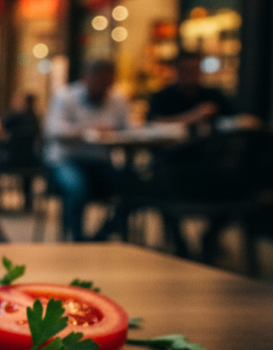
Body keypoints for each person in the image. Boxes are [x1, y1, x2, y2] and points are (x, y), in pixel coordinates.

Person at [44, 60, 130, 241]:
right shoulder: (65, 97)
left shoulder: (118, 99)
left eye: (107, 83)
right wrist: (87, 132)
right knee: (77, 188)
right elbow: (52, 130)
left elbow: (129, 130)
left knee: (134, 187)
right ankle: (77, 239)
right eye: (98, 81)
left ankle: (101, 235)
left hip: (101, 161)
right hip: (66, 160)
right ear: (85, 78)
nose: (102, 87)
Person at [148, 51, 234, 138]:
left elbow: (234, 119)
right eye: (186, 70)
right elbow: (154, 124)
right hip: (171, 149)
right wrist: (195, 115)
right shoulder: (162, 96)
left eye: (194, 69)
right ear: (177, 70)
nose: (191, 74)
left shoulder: (214, 95)